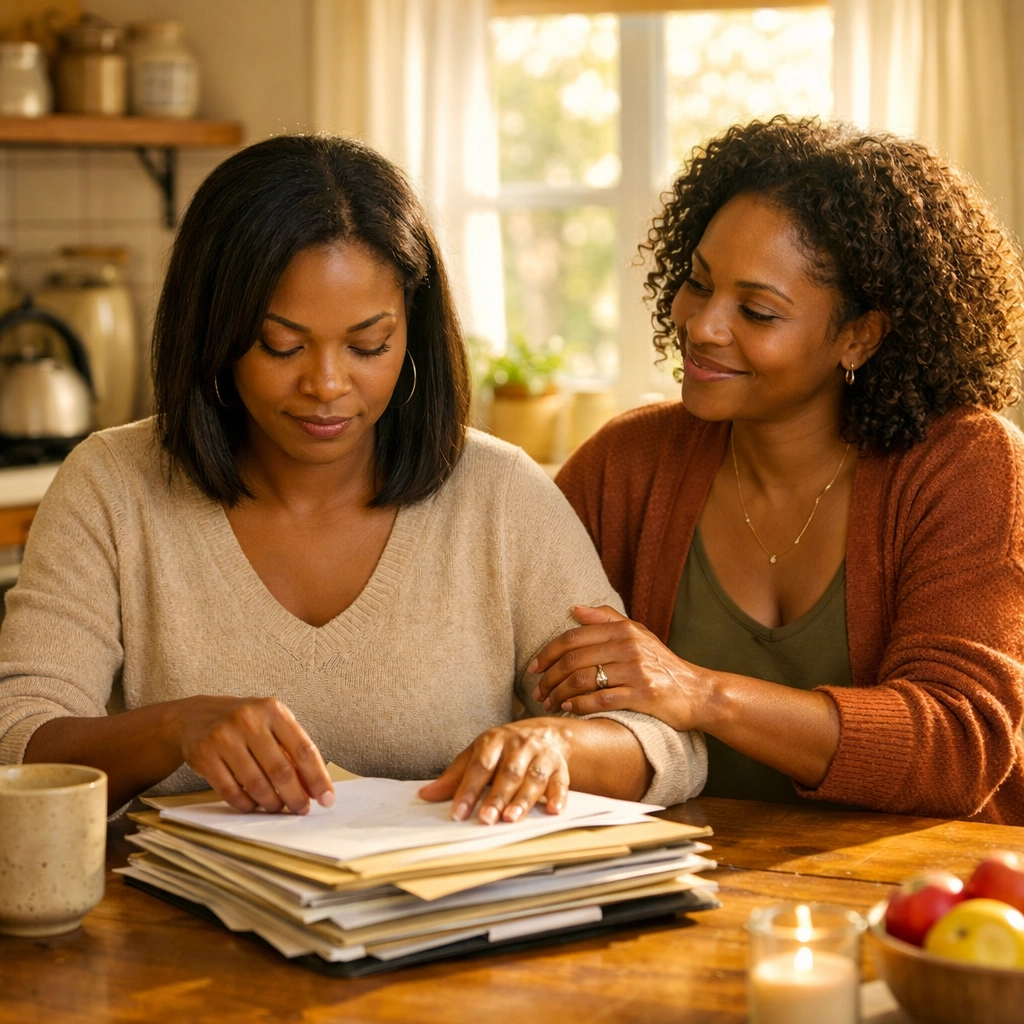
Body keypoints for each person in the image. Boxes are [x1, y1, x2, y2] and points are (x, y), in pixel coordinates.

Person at [0, 135, 705, 819]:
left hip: (440, 925)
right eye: (282, 345)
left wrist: (555, 743)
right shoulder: (110, 487)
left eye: (369, 345)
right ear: (212, 331)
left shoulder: (498, 496)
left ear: (413, 330)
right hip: (171, 930)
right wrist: (170, 730)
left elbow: (662, 743)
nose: (327, 384)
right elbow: (17, 741)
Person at [531, 116, 1024, 824]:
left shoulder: (962, 464)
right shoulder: (627, 461)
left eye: (757, 311)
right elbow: (514, 664)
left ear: (858, 336)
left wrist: (701, 693)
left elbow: (955, 746)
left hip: (914, 904)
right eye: (698, 284)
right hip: (673, 888)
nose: (702, 325)